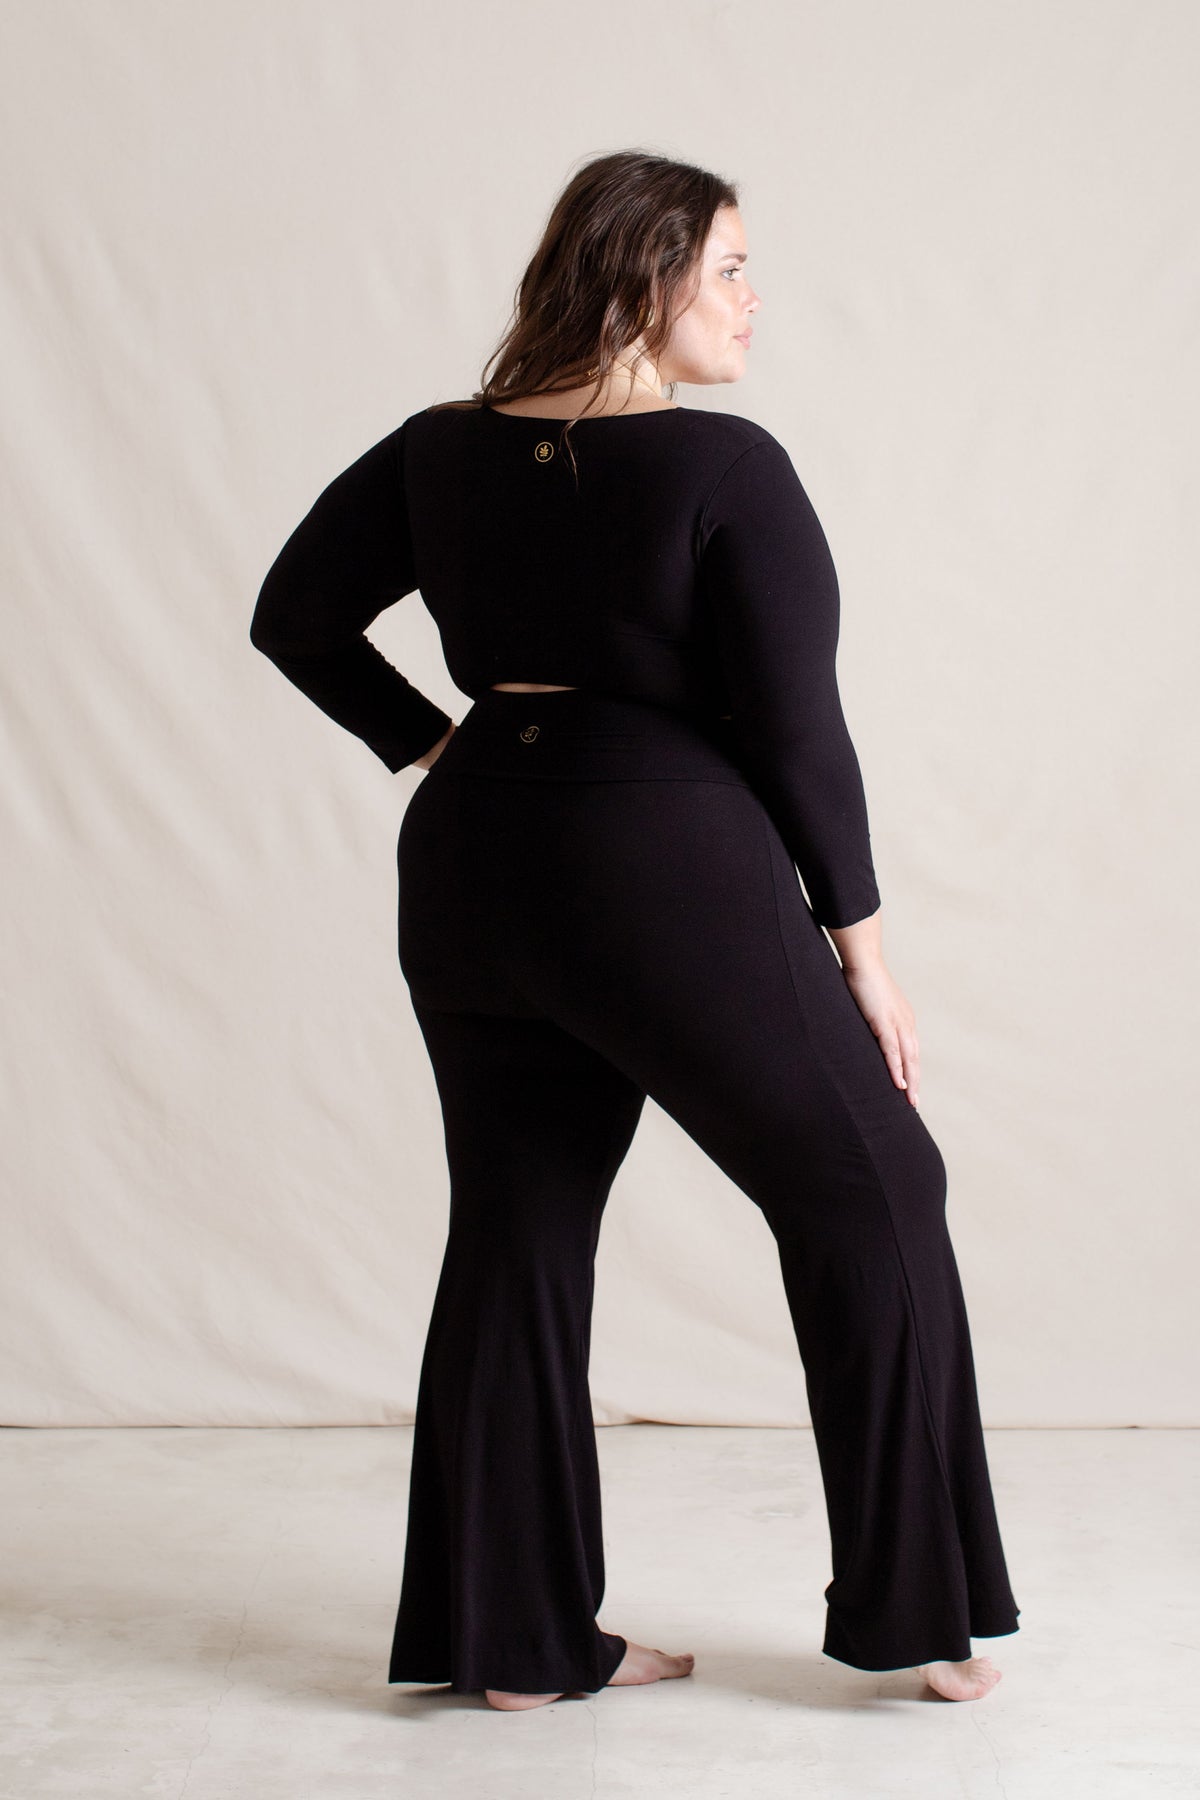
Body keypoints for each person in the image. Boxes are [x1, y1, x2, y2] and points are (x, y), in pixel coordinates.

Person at [249, 149, 1020, 1712]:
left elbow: (294, 616)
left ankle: (514, 1645)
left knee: (517, 1224)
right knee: (879, 1187)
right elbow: (798, 732)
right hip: (659, 853)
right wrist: (863, 953)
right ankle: (919, 1614)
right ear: (645, 274)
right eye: (728, 267)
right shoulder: (724, 467)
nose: (751, 300)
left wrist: (435, 746)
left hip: (472, 860)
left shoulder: (438, 450)